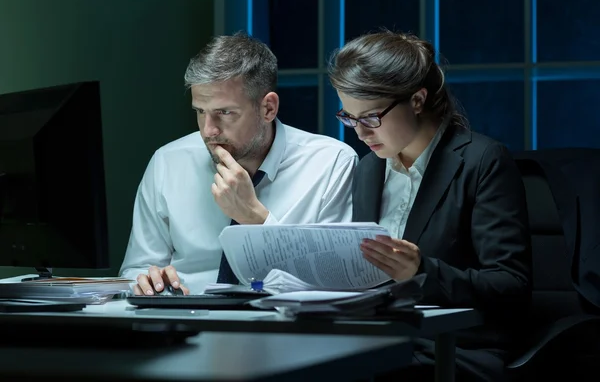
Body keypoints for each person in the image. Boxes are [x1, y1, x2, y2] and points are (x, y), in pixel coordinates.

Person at [328, 30, 532, 381]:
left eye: (371, 117)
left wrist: (422, 271)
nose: (360, 133)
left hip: (456, 347)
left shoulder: (482, 160)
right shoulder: (369, 168)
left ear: (417, 100)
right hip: (381, 339)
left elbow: (510, 286)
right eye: (349, 117)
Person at [120, 32, 358, 295]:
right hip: (187, 323)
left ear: (268, 108)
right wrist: (146, 282)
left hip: (283, 325)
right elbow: (135, 270)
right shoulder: (167, 162)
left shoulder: (331, 163)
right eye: (200, 112)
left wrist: (254, 218)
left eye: (225, 113)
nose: (208, 131)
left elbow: (336, 282)